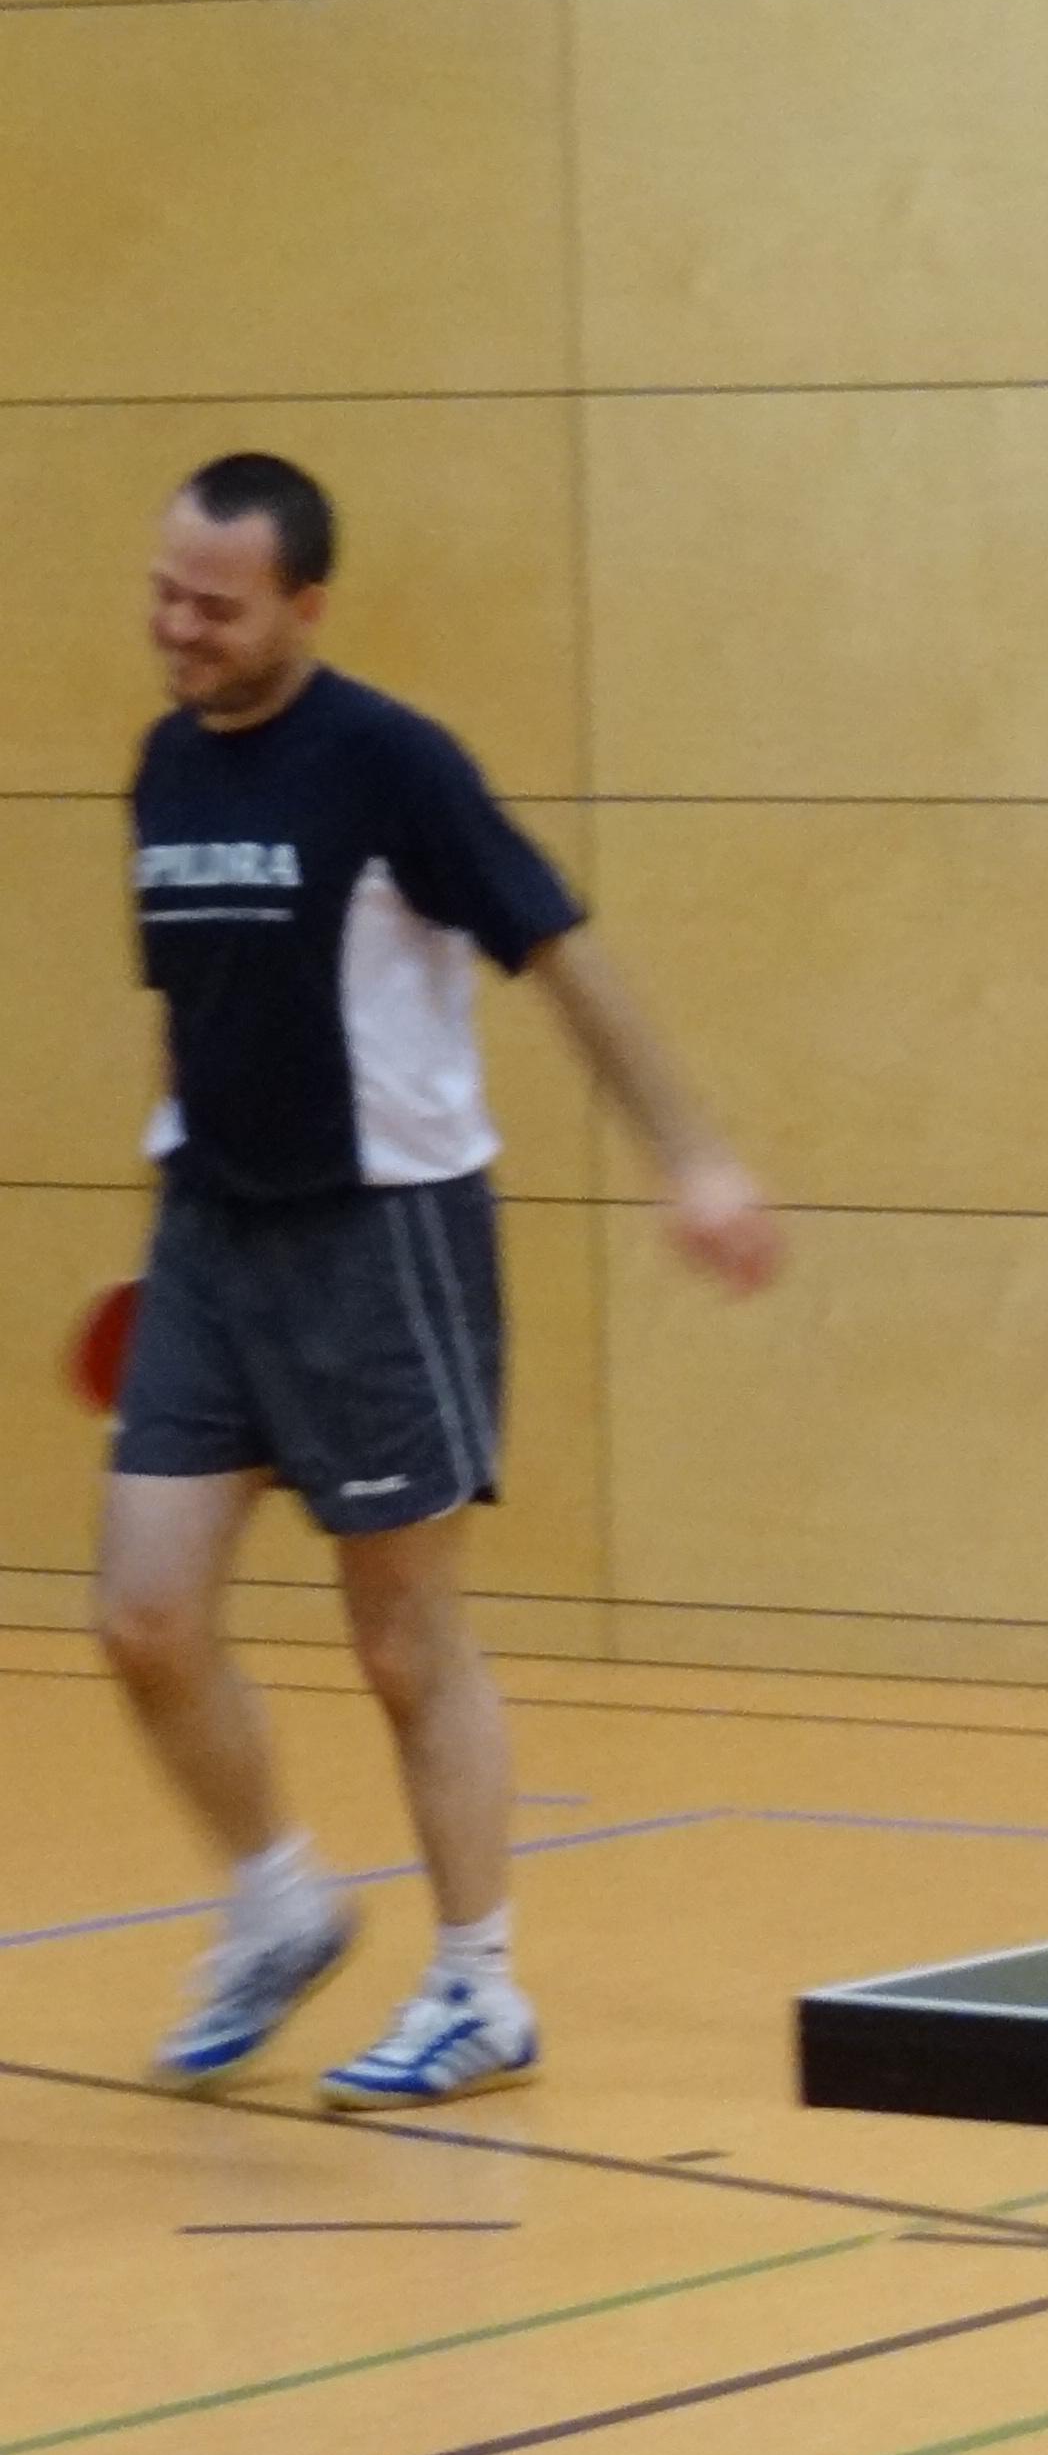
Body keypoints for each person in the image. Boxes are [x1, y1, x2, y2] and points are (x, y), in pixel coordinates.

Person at [99, 452, 785, 2111]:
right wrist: (160, 1207)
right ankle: (278, 1905)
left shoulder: (392, 763)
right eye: (166, 594)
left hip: (380, 1235)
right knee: (144, 1616)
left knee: (404, 1642)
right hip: (210, 1237)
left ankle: (480, 1987)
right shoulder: (164, 765)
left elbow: (559, 947)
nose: (179, 627)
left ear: (306, 606)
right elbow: (191, 1008)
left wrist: (693, 1154)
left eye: (216, 605)